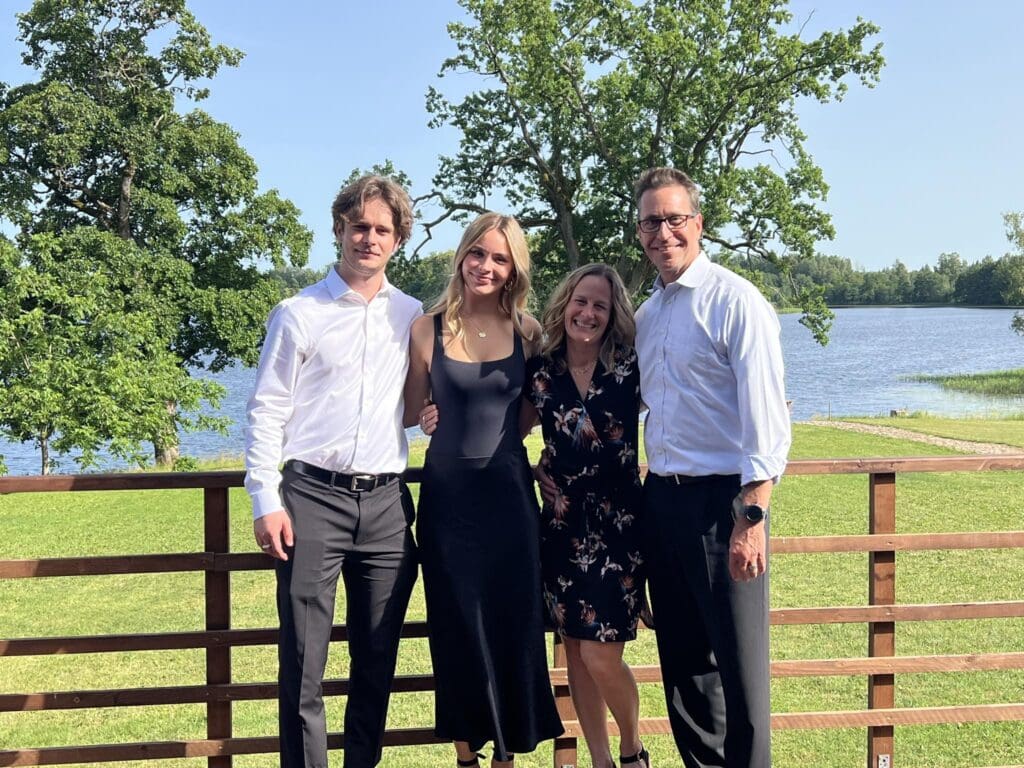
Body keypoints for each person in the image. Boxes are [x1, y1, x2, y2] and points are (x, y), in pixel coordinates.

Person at [244, 175, 421, 768]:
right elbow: (266, 409)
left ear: (398, 240)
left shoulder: (414, 317)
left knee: (377, 661)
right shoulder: (298, 313)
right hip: (311, 500)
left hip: (388, 508)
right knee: (303, 665)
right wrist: (264, 497)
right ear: (340, 229)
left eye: (382, 229)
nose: (368, 238)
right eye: (359, 226)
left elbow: (423, 404)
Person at [633, 166, 791, 768]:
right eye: (651, 221)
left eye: (675, 219)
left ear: (698, 224)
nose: (663, 232)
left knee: (741, 674)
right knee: (685, 674)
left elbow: (767, 422)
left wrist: (752, 517)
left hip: (727, 503)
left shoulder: (736, 302)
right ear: (640, 231)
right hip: (664, 504)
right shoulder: (647, 316)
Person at [404, 212, 563, 768]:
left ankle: (507, 756)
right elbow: (407, 409)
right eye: (478, 254)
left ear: (513, 267)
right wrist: (424, 417)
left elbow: (527, 416)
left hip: (508, 497)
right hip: (447, 502)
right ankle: (466, 755)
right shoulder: (427, 327)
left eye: (499, 258)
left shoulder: (529, 332)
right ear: (462, 256)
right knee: (456, 625)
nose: (486, 267)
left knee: (512, 624)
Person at [521, 263, 651, 768]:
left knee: (602, 653)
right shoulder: (542, 370)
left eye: (600, 305)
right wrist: (535, 470)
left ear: (612, 312)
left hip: (619, 525)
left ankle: (632, 747)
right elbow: (510, 434)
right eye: (581, 302)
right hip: (560, 524)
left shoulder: (631, 365)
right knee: (575, 648)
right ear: (565, 305)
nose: (588, 313)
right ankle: (599, 761)